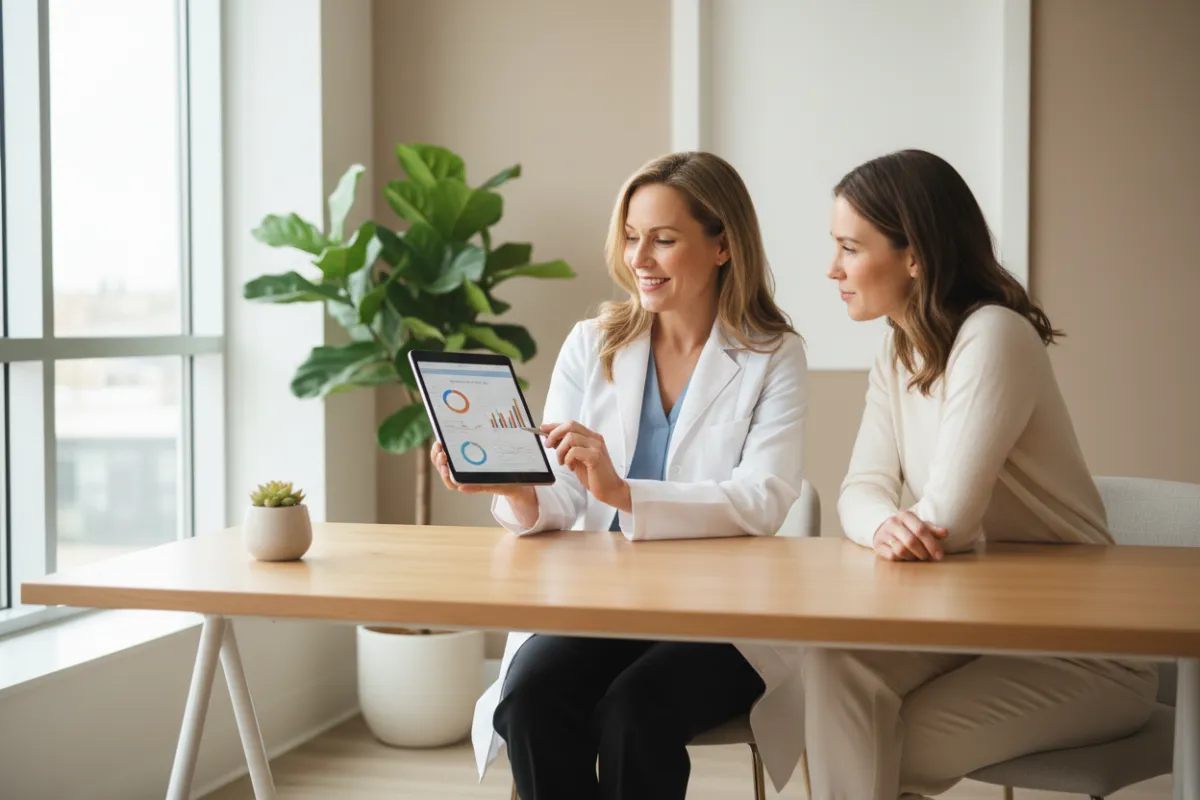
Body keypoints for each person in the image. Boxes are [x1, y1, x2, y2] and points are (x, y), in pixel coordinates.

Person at [430, 151, 809, 800]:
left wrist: (624, 493)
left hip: (722, 615)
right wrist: (517, 487)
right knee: (527, 700)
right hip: (605, 603)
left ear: (723, 246)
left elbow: (763, 497)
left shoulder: (773, 354)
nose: (640, 258)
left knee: (634, 713)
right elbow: (564, 489)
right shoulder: (594, 343)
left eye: (664, 240)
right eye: (632, 238)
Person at [811, 148, 1158, 800]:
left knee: (868, 744)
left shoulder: (995, 335)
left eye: (850, 248)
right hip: (975, 627)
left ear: (913, 256)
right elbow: (860, 490)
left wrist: (908, 525)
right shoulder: (897, 348)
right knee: (836, 670)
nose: (832, 269)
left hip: (1080, 652)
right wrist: (888, 524)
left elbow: (950, 519)